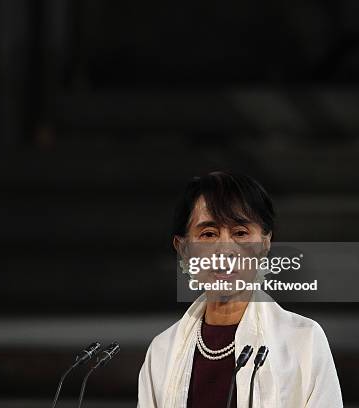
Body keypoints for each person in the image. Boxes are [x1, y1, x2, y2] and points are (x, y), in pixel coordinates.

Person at [137, 171, 343, 407]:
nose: (225, 250)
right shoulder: (162, 351)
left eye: (240, 233)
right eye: (208, 234)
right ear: (183, 248)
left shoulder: (303, 341)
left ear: (265, 244)